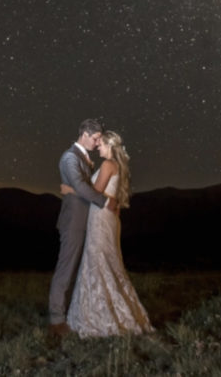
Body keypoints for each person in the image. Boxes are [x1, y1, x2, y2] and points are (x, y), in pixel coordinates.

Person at [63, 130, 153, 338]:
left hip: (100, 219)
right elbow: (113, 199)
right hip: (108, 218)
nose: (98, 147)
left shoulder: (107, 165)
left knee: (98, 261)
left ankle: (101, 317)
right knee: (107, 263)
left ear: (111, 146)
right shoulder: (118, 167)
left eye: (101, 144)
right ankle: (104, 312)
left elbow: (93, 192)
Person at [47, 118, 116, 336]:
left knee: (81, 270)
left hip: (88, 221)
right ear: (85, 134)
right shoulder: (69, 158)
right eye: (95, 139)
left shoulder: (83, 159)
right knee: (66, 269)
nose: (97, 144)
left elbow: (80, 188)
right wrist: (105, 202)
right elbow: (81, 187)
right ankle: (56, 321)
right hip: (74, 222)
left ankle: (78, 313)